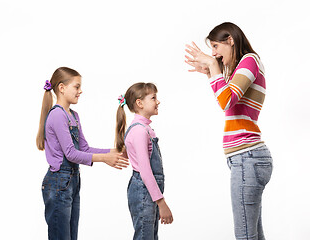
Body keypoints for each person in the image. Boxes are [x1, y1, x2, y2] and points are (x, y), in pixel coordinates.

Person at [185, 22, 273, 240]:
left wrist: (213, 69)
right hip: (246, 159)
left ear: (230, 41)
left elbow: (226, 100)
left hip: (248, 158)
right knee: (253, 235)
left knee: (244, 236)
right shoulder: (244, 66)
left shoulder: (250, 60)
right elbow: (229, 99)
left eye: (215, 46)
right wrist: (209, 73)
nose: (213, 53)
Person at [36, 67, 129, 240]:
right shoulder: (57, 115)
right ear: (62, 88)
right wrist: (104, 159)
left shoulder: (74, 115)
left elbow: (84, 149)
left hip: (72, 181)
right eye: (77, 87)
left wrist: (115, 152)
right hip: (58, 183)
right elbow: (71, 154)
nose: (80, 91)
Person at [115, 82, 173, 240]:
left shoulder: (144, 128)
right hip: (144, 192)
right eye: (153, 98)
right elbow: (146, 171)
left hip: (148, 192)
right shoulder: (140, 130)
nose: (158, 101)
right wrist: (162, 203)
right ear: (139, 103)